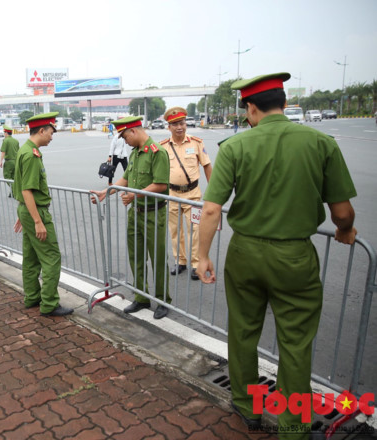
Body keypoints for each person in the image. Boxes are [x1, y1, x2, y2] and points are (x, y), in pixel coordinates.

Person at [197, 72, 357, 438]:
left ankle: (247, 405)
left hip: (245, 253)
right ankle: (293, 427)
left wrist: (202, 256)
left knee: (243, 332)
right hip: (294, 256)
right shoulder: (321, 142)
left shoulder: (236, 147)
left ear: (251, 108)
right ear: (283, 103)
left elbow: (210, 209)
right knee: (295, 344)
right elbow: (343, 213)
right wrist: (345, 231)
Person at [90, 116, 171, 320]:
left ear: (133, 131)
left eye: (125, 136)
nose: (124, 141)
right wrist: (106, 192)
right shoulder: (135, 153)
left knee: (158, 258)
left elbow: (161, 184)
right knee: (136, 256)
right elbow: (125, 179)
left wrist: (135, 194)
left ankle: (162, 300)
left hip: (154, 213)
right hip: (136, 213)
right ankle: (141, 297)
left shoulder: (157, 153)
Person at [13, 112, 73, 317]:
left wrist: (24, 213)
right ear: (41, 130)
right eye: (50, 132)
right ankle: (49, 304)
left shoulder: (25, 150)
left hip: (28, 209)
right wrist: (37, 221)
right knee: (51, 257)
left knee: (30, 258)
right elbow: (27, 190)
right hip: (36, 211)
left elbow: (21, 189)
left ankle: (32, 297)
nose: (51, 136)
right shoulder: (31, 154)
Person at [161, 107, 212, 281]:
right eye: (175, 124)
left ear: (186, 124)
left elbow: (206, 166)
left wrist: (212, 192)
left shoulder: (196, 143)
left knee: (195, 230)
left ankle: (196, 263)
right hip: (172, 195)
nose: (179, 127)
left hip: (193, 195)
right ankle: (180, 261)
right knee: (175, 231)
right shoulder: (163, 148)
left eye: (182, 123)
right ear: (169, 127)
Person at [0, 124, 19, 194]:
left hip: (9, 162)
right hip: (16, 161)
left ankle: (14, 191)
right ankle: (13, 191)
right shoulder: (16, 141)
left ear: (6, 133)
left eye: (4, 132)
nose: (4, 134)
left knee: (7, 177)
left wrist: (0, 161)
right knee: (14, 178)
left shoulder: (6, 140)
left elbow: (3, 152)